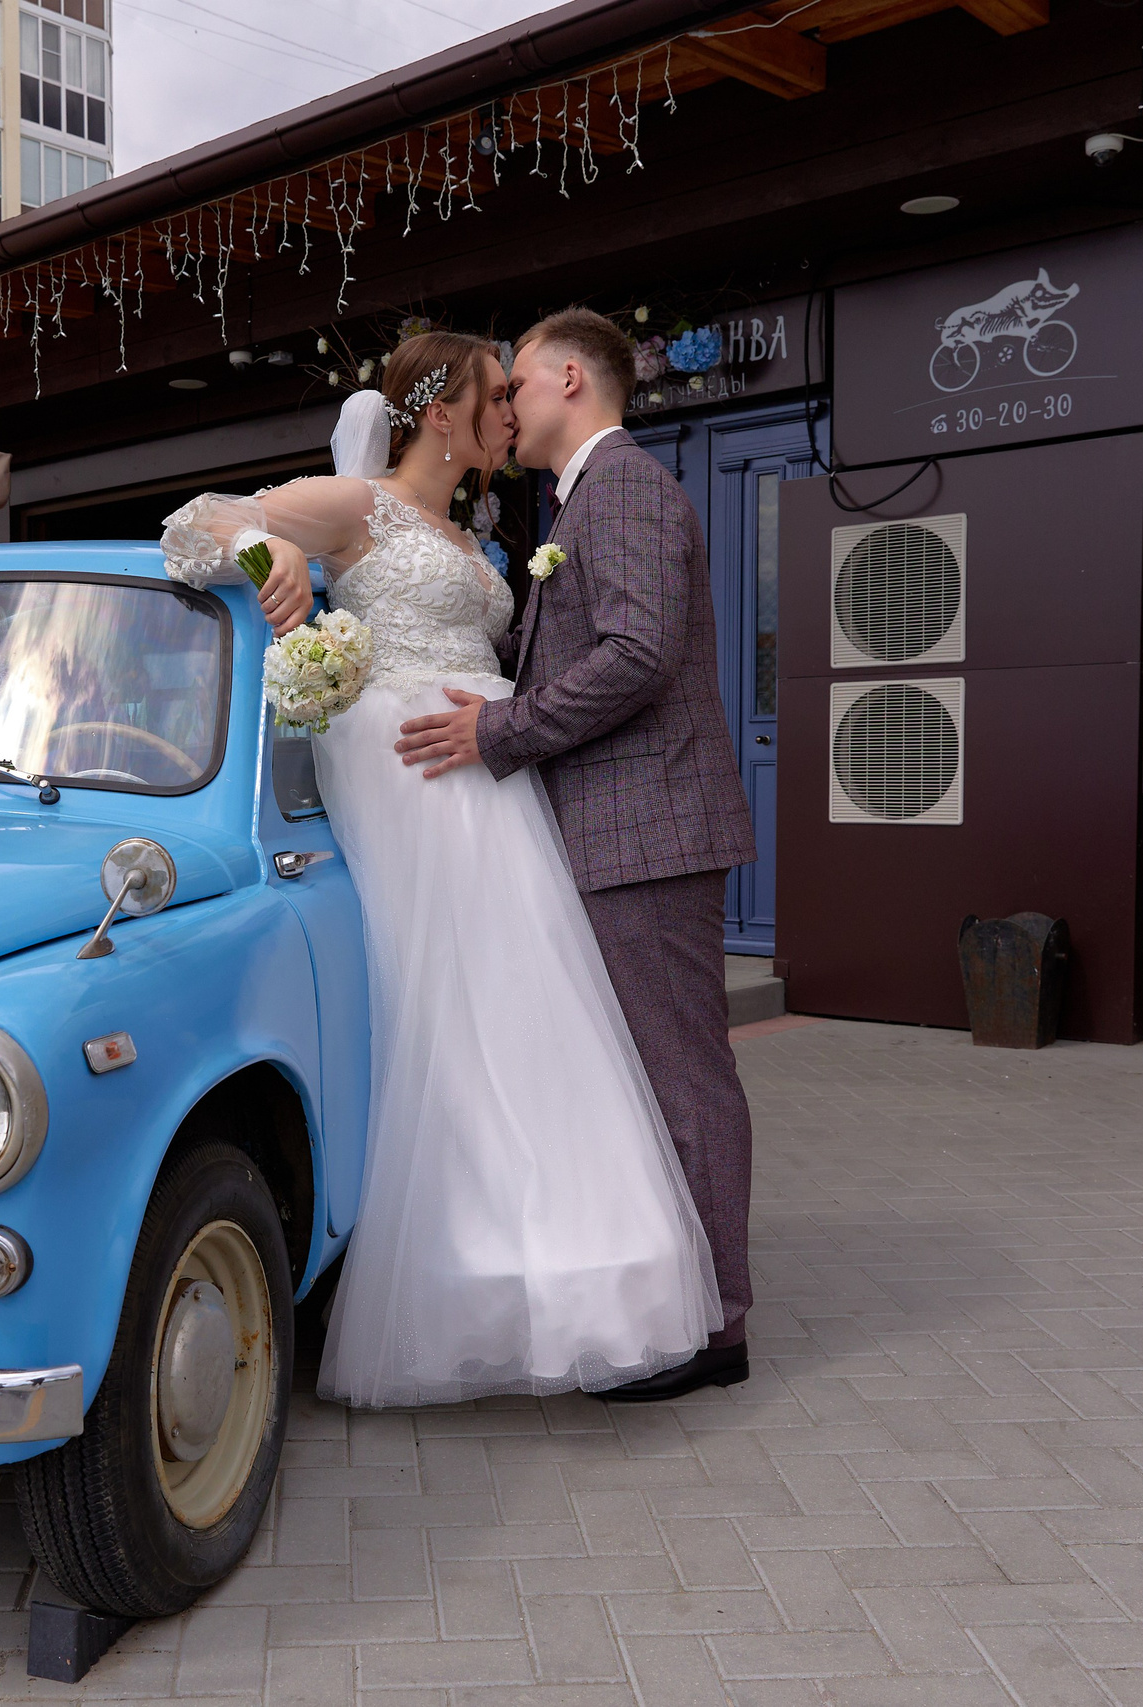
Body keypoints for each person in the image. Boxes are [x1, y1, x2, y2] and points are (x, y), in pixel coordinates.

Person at [161, 331, 721, 1409]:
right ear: (445, 412)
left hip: (493, 776)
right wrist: (271, 552)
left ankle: (557, 1269)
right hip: (415, 774)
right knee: (448, 1016)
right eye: (496, 395)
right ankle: (463, 1268)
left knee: (527, 1011)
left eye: (516, 391)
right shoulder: (356, 504)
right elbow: (196, 523)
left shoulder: (476, 533)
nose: (511, 411)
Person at [392, 309, 760, 1400]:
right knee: (649, 1078)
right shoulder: (577, 498)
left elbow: (638, 653)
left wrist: (497, 730)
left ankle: (718, 1326)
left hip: (648, 831)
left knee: (682, 1078)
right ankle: (679, 1301)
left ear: (567, 379)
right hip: (613, 831)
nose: (506, 405)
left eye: (514, 384)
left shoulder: (627, 486)